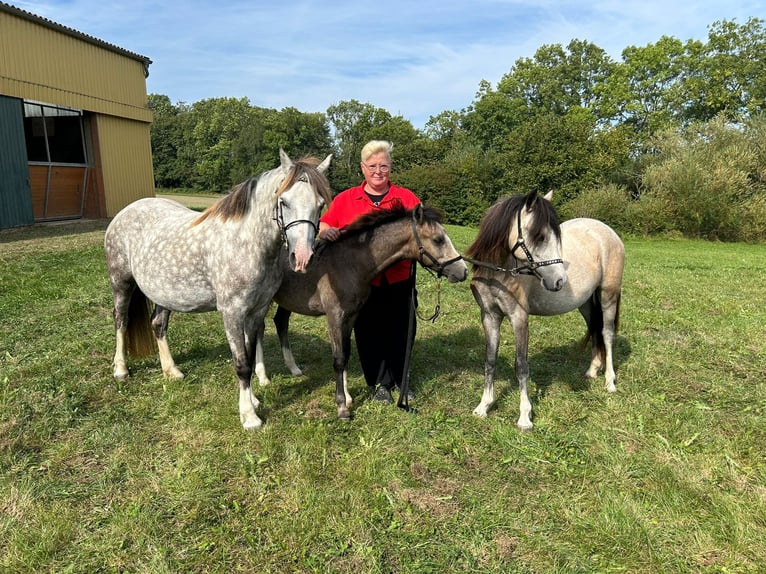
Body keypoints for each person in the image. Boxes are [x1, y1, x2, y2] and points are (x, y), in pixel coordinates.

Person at [318, 140, 421, 404]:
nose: (378, 171)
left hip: (400, 279)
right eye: (372, 166)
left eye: (383, 166)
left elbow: (423, 229)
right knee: (369, 333)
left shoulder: (406, 198)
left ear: (390, 167)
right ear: (363, 168)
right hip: (362, 284)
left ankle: (401, 379)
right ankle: (379, 383)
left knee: (401, 331)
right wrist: (325, 230)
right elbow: (325, 221)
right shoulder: (346, 199)